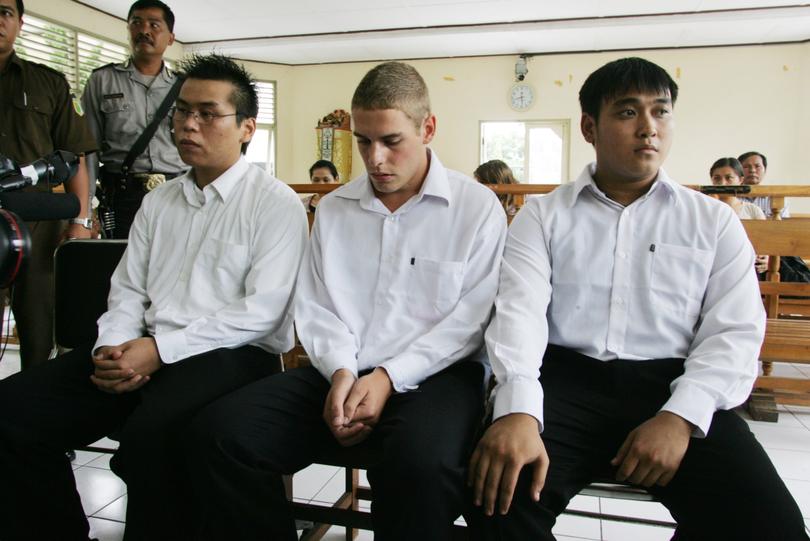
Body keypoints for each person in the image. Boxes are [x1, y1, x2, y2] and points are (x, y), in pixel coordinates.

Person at [468, 57, 808, 540]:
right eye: (628, 113)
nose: (648, 128)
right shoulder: (544, 216)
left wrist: (680, 416)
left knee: (770, 524)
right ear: (589, 126)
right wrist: (518, 409)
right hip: (565, 382)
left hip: (673, 384)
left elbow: (733, 331)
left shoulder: (711, 222)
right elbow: (518, 315)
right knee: (496, 498)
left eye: (660, 112)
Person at [184, 61, 507, 541]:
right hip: (339, 371)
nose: (374, 158)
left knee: (420, 466)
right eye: (363, 141)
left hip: (438, 377)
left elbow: (469, 323)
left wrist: (387, 379)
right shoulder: (335, 209)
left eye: (391, 141)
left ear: (428, 128)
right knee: (221, 434)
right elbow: (315, 308)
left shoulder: (475, 208)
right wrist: (339, 371)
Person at [0, 53, 308, 541]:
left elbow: (262, 312)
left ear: (247, 127)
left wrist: (159, 352)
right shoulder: (159, 201)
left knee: (150, 441)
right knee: (13, 410)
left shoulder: (275, 204)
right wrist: (113, 346)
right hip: (143, 346)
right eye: (182, 111)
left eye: (208, 113)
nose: (188, 124)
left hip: (231, 356)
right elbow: (127, 289)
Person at [0, 0, 97, 369]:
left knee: (39, 324)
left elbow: (74, 157)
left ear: (20, 23)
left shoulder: (48, 82)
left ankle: (30, 410)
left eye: (5, 12)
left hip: (38, 221)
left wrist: (80, 220)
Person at [82, 0, 187, 239]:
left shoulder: (186, 86)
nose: (144, 31)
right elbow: (88, 151)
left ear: (170, 38)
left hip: (178, 193)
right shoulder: (102, 80)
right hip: (122, 197)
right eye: (136, 23)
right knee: (121, 267)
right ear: (128, 29)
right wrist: (85, 212)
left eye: (154, 25)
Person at [710, 157, 768, 274]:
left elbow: (766, 244)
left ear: (740, 180)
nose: (722, 183)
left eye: (729, 178)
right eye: (717, 178)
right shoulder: (706, 208)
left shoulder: (752, 210)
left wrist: (766, 258)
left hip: (747, 266)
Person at [738, 150, 790, 218]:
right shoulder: (731, 197)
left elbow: (784, 226)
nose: (752, 170)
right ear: (738, 171)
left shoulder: (777, 199)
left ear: (765, 170)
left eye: (757, 166)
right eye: (746, 167)